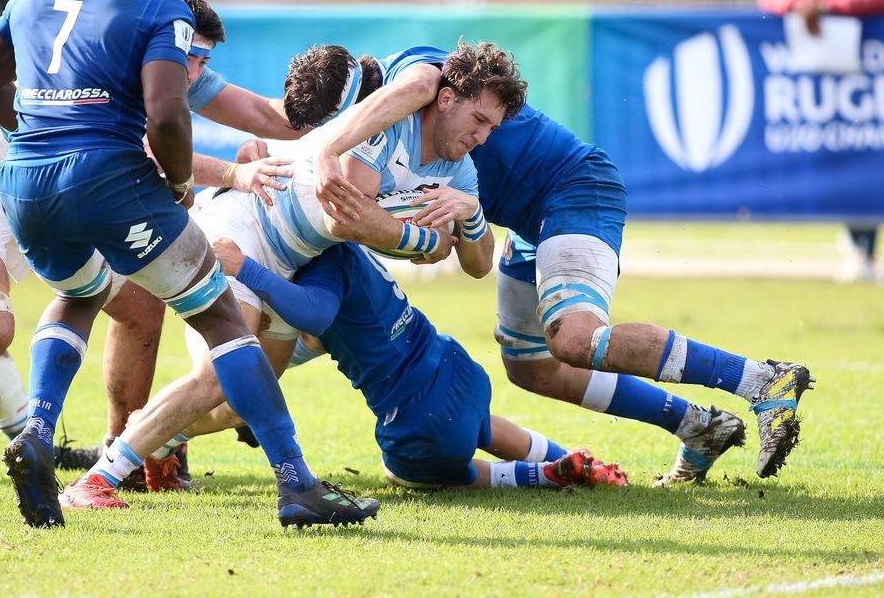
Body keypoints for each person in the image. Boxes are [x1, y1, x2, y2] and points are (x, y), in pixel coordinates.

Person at [0, 0, 379, 529]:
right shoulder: (157, 4)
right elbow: (165, 113)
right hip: (107, 177)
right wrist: (182, 186)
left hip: (25, 180)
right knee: (221, 321)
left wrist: (40, 131)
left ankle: (37, 435)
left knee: (80, 294)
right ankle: (297, 486)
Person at [311, 42, 814, 484]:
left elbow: (418, 82)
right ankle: (698, 425)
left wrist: (330, 153)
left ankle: (762, 380)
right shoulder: (405, 145)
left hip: (575, 190)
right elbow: (458, 250)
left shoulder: (420, 76)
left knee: (575, 338)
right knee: (532, 369)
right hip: (528, 225)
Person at [57, 41, 521, 509]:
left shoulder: (460, 173)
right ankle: (96, 480)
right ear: (445, 100)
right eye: (478, 121)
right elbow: (346, 217)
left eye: (493, 128)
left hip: (294, 259)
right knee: (220, 374)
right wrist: (427, 243)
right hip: (244, 227)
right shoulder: (387, 124)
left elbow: (478, 265)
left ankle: (153, 436)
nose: (482, 137)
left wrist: (472, 215)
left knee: (240, 401)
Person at [0, 0, 300, 473]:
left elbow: (268, 115)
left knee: (142, 306)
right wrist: (235, 173)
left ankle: (121, 450)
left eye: (203, 57)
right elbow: (146, 149)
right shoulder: (106, 57)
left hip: (54, 193)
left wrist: (361, 103)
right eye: (192, 54)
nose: (196, 69)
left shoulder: (171, 61)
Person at [211, 237, 629, 491]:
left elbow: (315, 316)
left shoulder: (320, 262)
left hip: (422, 419)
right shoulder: (351, 249)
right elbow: (320, 335)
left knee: (404, 474)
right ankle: (571, 460)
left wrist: (246, 269)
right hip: (456, 368)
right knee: (478, 423)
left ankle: (535, 477)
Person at [756, 0, 884, 283]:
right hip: (813, 82)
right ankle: (852, 239)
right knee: (833, 154)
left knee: (865, 153)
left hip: (865, 81)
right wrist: (798, 4)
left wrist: (827, 5)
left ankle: (864, 246)